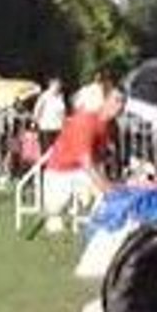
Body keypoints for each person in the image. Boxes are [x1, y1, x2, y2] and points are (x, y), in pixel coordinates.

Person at [42, 90, 124, 233]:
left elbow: (99, 160)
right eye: (116, 100)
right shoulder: (86, 121)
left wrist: (110, 183)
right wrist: (106, 188)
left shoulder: (109, 126)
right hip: (60, 173)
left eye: (123, 102)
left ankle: (98, 221)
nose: (120, 106)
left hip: (80, 171)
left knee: (106, 191)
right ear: (105, 101)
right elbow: (86, 162)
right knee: (55, 224)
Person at [32, 78, 66, 153]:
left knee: (57, 150)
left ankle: (54, 164)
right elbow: (37, 110)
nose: (58, 87)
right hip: (46, 127)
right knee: (46, 151)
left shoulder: (60, 97)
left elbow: (63, 112)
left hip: (58, 127)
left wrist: (64, 124)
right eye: (56, 85)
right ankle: (45, 164)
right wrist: (34, 123)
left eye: (59, 85)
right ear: (50, 85)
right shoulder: (44, 96)